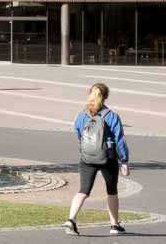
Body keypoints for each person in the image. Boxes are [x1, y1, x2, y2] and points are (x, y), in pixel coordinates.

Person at [65, 82, 131, 236]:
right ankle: (114, 225)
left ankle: (71, 220)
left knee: (83, 190)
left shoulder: (81, 115)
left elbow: (78, 133)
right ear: (106, 97)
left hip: (87, 158)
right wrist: (124, 161)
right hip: (108, 158)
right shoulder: (111, 116)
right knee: (112, 191)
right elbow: (119, 139)